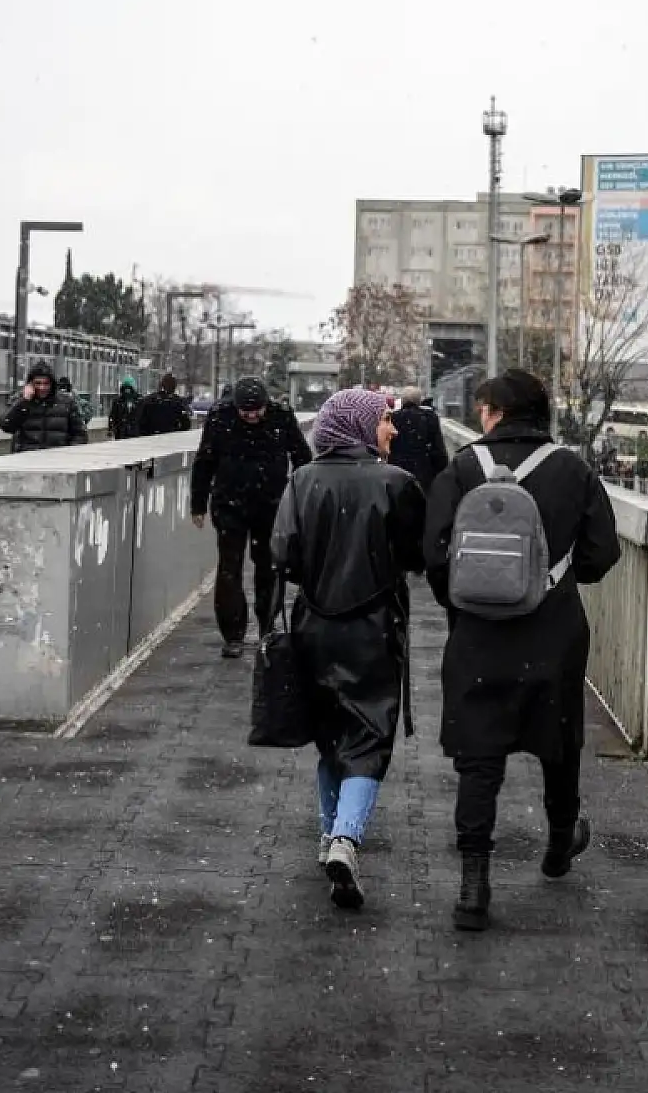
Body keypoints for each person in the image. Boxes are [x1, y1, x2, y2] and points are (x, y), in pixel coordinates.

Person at [424, 368, 621, 932]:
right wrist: (557, 579)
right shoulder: (572, 469)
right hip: (554, 633)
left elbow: (435, 556)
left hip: (478, 638)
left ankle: (473, 884)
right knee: (559, 743)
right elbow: (601, 553)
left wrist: (465, 606)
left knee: (478, 760)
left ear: (497, 412)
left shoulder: (463, 469)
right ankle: (560, 843)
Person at [271, 388, 425, 909]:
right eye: (385, 420)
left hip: (314, 626)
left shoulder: (301, 481)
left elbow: (283, 554)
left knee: (329, 734)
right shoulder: (396, 484)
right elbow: (416, 552)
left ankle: (328, 835)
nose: (394, 429)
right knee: (368, 736)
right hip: (374, 629)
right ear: (361, 426)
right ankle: (346, 838)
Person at [191, 375, 312, 657]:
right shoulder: (220, 418)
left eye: (257, 411)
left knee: (268, 567)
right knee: (229, 569)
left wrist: (304, 497)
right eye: (246, 413)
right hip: (229, 503)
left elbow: (302, 457)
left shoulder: (281, 417)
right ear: (235, 407)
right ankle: (233, 635)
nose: (252, 417)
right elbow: (204, 461)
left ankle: (266, 628)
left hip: (270, 503)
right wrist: (197, 504)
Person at [0, 360, 88, 452]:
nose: (42, 387)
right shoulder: (20, 400)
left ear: (52, 384)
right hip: (26, 458)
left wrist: (68, 454)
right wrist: (24, 402)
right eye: (38, 383)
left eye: (46, 383)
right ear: (30, 384)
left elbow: (80, 434)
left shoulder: (67, 402)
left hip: (57, 459)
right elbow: (6, 425)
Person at [387, 385, 448, 493]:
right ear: (419, 401)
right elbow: (438, 450)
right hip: (423, 474)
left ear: (402, 401)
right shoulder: (430, 418)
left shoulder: (393, 418)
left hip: (396, 473)